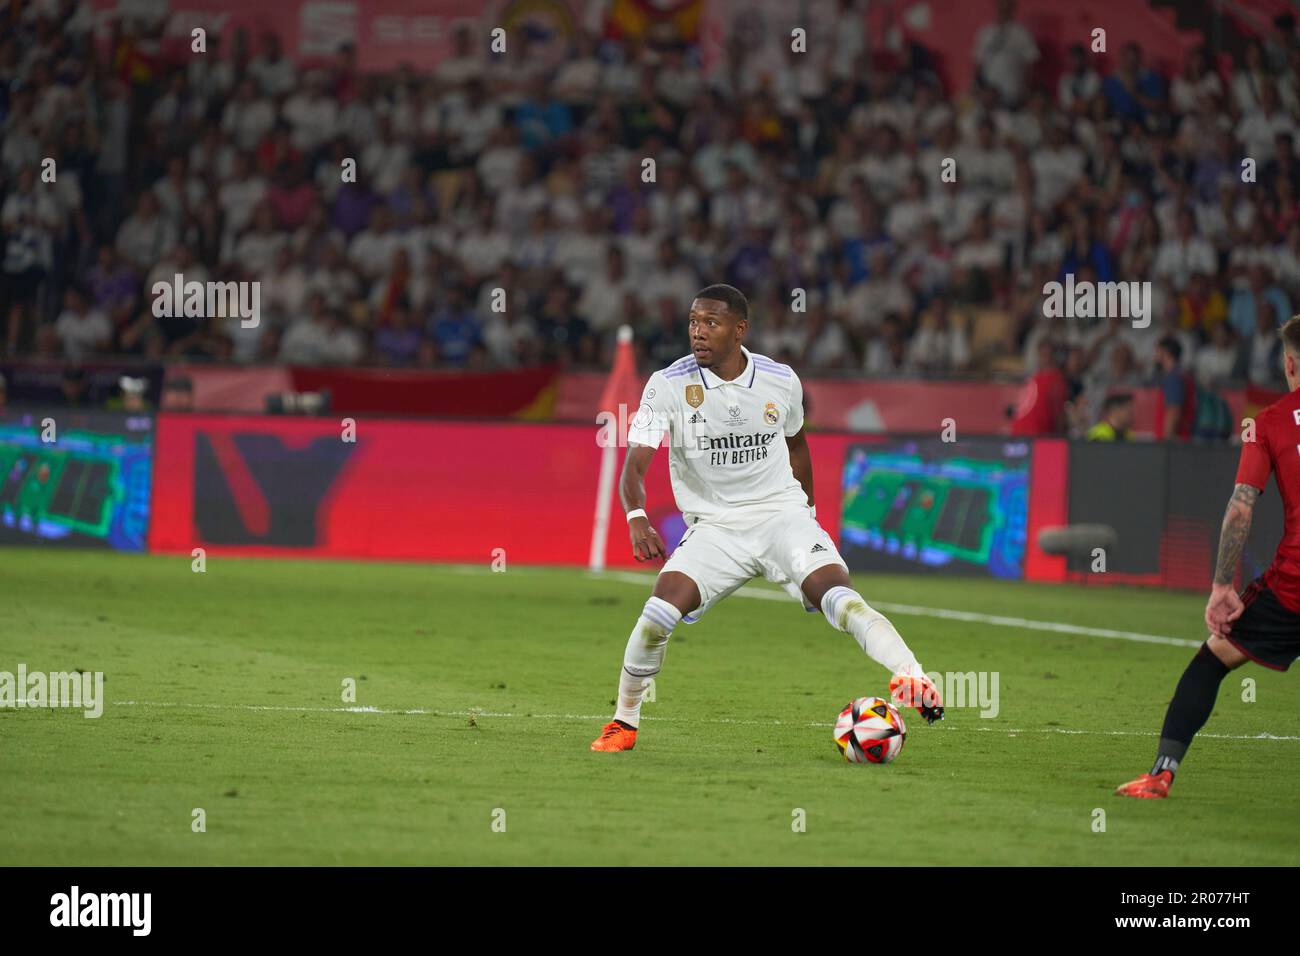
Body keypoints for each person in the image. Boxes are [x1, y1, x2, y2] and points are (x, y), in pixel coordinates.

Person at [590, 285, 944, 753]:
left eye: (711, 323)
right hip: (714, 527)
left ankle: (913, 678)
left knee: (841, 599)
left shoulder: (781, 380)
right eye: (694, 322)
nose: (698, 332)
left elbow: (796, 443)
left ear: (740, 330)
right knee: (657, 615)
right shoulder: (668, 384)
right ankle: (624, 721)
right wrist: (637, 517)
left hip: (782, 515)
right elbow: (634, 466)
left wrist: (809, 515)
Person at [1117, 314, 1300, 798]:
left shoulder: (1269, 424)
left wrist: (1222, 586)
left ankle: (1160, 774)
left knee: (1210, 661)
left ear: (1288, 364)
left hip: (1292, 591)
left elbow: (1241, 506)